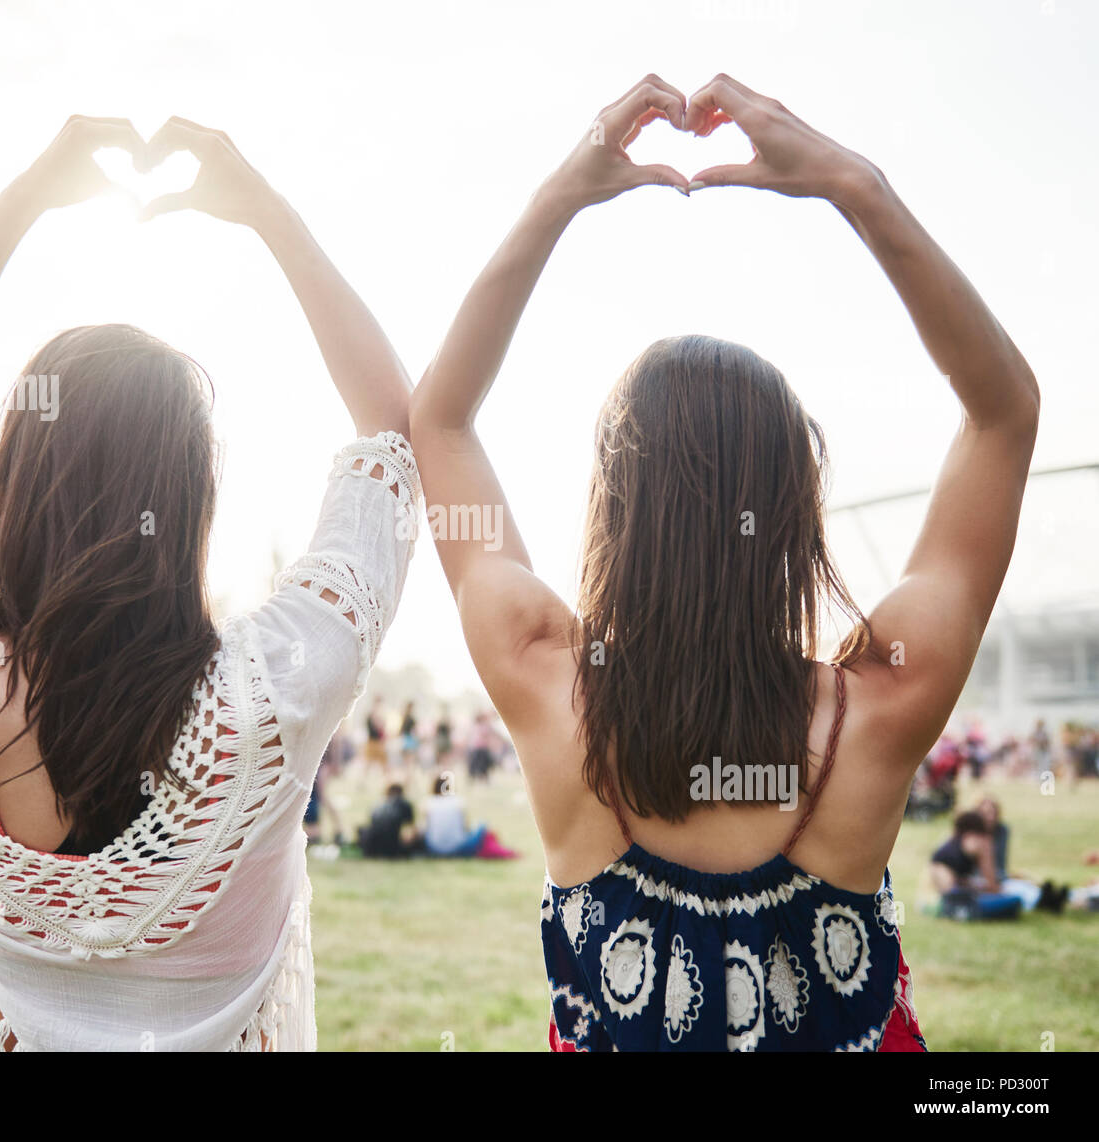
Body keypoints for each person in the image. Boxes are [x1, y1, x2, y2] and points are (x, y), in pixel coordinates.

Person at [410, 74, 1038, 1050]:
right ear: (794, 513)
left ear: (616, 515)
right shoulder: (874, 705)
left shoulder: (544, 681)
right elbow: (1001, 415)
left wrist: (560, 195)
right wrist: (852, 185)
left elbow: (438, 418)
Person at [0, 115, 419, 1050]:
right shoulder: (271, 699)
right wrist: (270, 216)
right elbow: (395, 438)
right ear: (193, 499)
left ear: (16, 481)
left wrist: (29, 193)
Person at [358, 784, 420, 858]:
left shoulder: (377, 804)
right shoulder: (404, 804)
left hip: (372, 846)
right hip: (392, 847)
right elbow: (412, 828)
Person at [399, 701, 420, 767]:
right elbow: (415, 730)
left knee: (407, 758)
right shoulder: (410, 718)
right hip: (409, 739)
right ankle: (408, 772)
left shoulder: (405, 717)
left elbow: (401, 730)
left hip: (406, 738)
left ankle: (407, 771)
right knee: (410, 758)